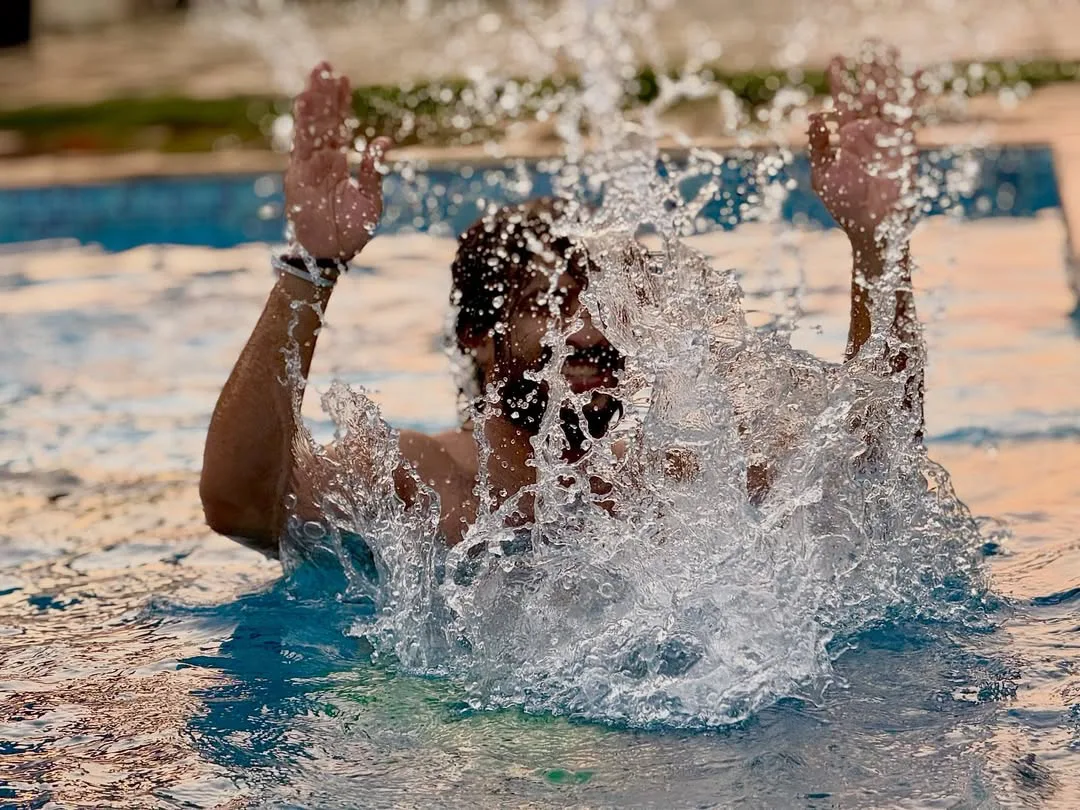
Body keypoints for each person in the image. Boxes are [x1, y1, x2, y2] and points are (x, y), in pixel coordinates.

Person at [200, 46, 925, 558]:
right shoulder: (421, 481)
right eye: (548, 303)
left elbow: (876, 452)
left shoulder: (676, 484)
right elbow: (241, 505)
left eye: (608, 302)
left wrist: (878, 245)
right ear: (477, 333)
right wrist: (313, 267)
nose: (586, 331)